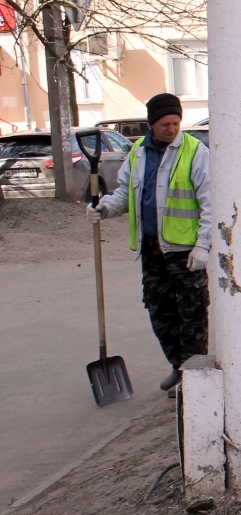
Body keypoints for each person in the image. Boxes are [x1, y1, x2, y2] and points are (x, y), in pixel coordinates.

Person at [87, 92, 212, 397]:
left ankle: (193, 377)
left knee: (191, 314)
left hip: (185, 252)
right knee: (160, 312)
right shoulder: (138, 154)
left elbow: (211, 202)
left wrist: (204, 245)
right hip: (152, 249)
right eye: (165, 123)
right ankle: (178, 366)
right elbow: (124, 195)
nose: (172, 129)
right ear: (151, 124)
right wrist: (104, 208)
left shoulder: (195, 152)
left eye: (176, 122)